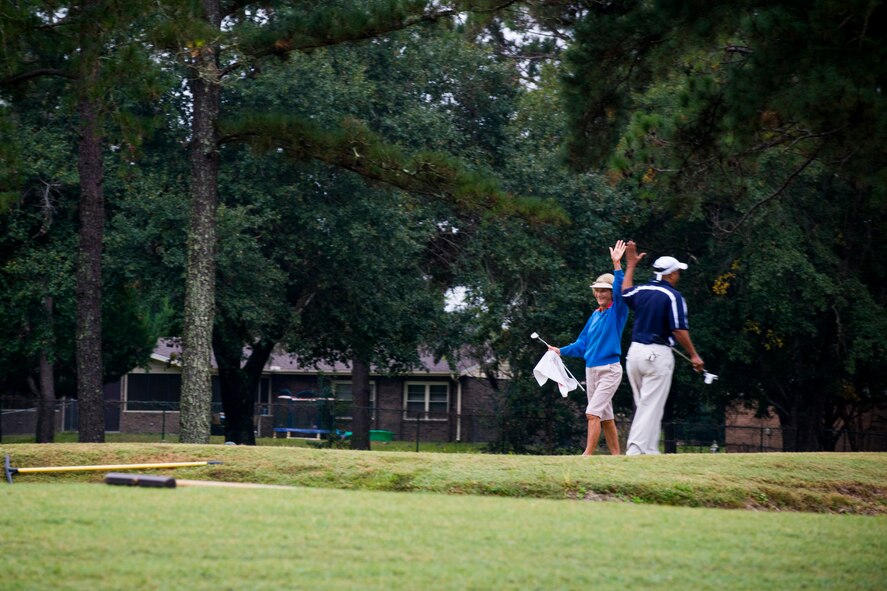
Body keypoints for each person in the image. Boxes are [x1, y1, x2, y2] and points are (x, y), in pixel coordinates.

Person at [621, 240, 704, 455]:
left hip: (634, 354)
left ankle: (648, 449)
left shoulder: (642, 290)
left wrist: (630, 266)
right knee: (650, 406)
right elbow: (678, 329)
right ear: (671, 274)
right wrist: (694, 355)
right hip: (657, 355)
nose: (679, 275)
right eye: (677, 271)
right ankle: (635, 450)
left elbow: (625, 292)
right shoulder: (673, 296)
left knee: (645, 405)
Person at [549, 240, 629, 455]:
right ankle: (617, 458)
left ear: (611, 293)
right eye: (598, 291)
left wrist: (617, 265)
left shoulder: (617, 312)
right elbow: (581, 345)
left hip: (609, 370)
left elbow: (622, 293)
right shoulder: (594, 316)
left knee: (592, 413)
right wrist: (560, 350)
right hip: (591, 370)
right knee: (605, 417)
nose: (600, 294)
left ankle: (587, 456)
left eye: (605, 291)